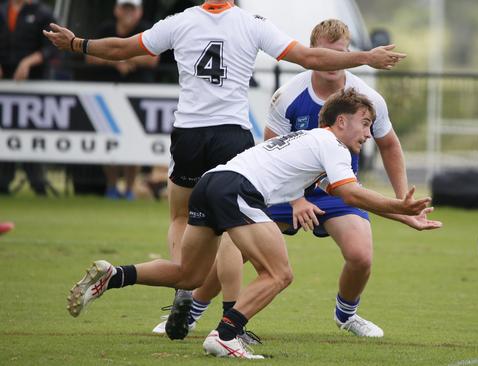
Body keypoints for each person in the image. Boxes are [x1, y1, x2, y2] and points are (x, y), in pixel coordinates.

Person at [44, 0, 405, 341]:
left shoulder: (179, 21)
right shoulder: (251, 24)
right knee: (240, 239)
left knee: (182, 219)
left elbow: (123, 49)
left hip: (188, 135)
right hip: (230, 135)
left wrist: (77, 43)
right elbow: (307, 57)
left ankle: (178, 288)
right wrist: (367, 57)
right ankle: (231, 321)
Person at [65, 89, 442, 359]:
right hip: (237, 189)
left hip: (212, 182)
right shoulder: (332, 144)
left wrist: (405, 217)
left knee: (188, 274)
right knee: (279, 274)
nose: (367, 132)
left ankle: (113, 275)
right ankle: (225, 335)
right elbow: (351, 193)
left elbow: (345, 192)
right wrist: (399, 204)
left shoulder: (311, 140)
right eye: (364, 123)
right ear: (340, 121)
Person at [159, 19, 409, 340]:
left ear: (349, 53)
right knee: (236, 251)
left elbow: (389, 145)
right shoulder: (289, 95)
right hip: (282, 191)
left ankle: (346, 315)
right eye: (325, 53)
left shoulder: (366, 98)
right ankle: (192, 311)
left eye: (341, 53)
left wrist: (404, 200)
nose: (333, 61)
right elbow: (269, 149)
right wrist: (296, 198)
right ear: (314, 53)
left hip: (337, 188)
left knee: (361, 255)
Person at [85, 0, 159, 200]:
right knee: (107, 141)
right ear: (117, 9)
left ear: (139, 11)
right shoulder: (106, 28)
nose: (128, 12)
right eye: (125, 7)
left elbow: (152, 59)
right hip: (108, 95)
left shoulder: (146, 29)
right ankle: (111, 186)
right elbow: (90, 57)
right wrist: (118, 60)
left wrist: (121, 57)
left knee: (132, 142)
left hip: (137, 93)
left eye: (132, 8)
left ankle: (128, 188)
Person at [0, 0, 57, 196]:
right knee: (5, 133)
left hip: (35, 86)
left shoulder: (42, 14)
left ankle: (38, 182)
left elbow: (53, 47)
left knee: (33, 135)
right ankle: (3, 181)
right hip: (5, 86)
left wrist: (29, 62)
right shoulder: (3, 10)